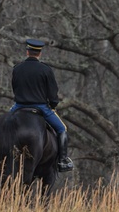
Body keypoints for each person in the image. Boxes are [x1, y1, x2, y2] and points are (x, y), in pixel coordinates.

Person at [9, 38, 74, 171]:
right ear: (39, 53)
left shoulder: (17, 68)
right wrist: (53, 105)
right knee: (62, 129)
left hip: (19, 106)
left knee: (4, 125)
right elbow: (53, 93)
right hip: (40, 107)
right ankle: (62, 161)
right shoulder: (45, 69)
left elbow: (15, 88)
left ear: (27, 52)